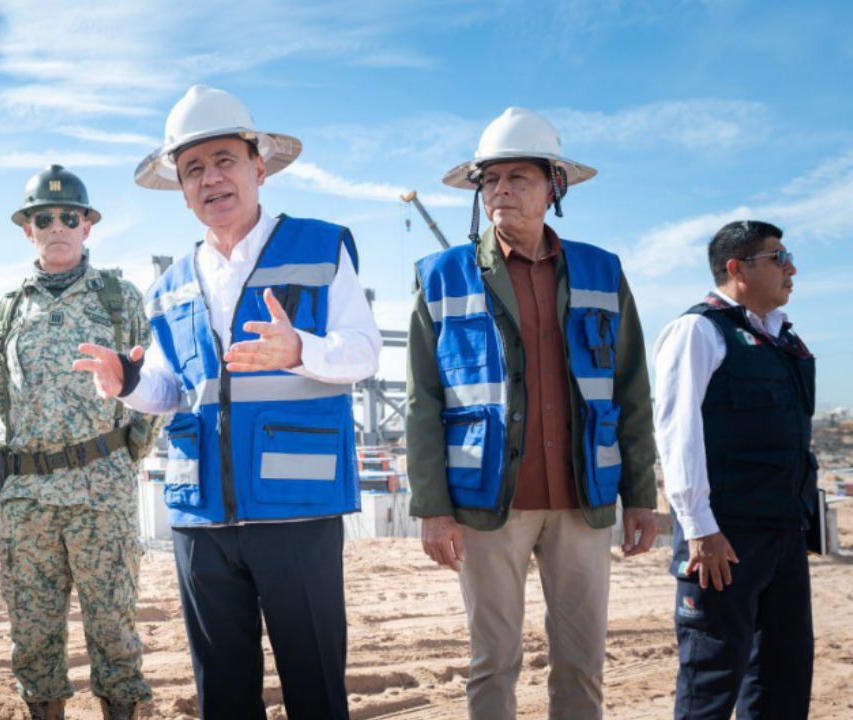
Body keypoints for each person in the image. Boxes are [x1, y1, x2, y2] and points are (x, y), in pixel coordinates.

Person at [74, 85, 381, 719]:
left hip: (297, 511)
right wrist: (127, 385)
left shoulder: (321, 248)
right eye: (194, 169)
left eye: (224, 161)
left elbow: (364, 352)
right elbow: (172, 392)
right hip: (201, 520)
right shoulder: (169, 286)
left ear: (258, 168)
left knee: (316, 691)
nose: (210, 178)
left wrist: (299, 348)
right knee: (223, 697)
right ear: (183, 190)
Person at [406, 107, 658, 720]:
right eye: (490, 179)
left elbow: (630, 388)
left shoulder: (603, 271)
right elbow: (423, 401)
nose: (501, 189)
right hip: (488, 503)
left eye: (518, 176)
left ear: (554, 188)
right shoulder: (441, 277)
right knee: (493, 661)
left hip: (583, 500)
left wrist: (641, 496)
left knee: (582, 662)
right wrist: (433, 508)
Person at [0, 164, 158, 720]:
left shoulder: (118, 298)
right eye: (43, 218)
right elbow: (2, 394)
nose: (56, 226)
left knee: (114, 631)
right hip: (29, 499)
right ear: (27, 229)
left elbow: (148, 386)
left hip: (100, 495)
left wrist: (122, 456)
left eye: (67, 216)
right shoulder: (9, 310)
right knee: (32, 637)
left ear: (86, 225)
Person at [653, 220, 814, 720]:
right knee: (711, 680)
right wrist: (699, 528)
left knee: (782, 679)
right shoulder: (698, 331)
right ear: (737, 269)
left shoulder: (782, 339)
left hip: (783, 533)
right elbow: (677, 433)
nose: (791, 268)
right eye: (778, 257)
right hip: (723, 539)